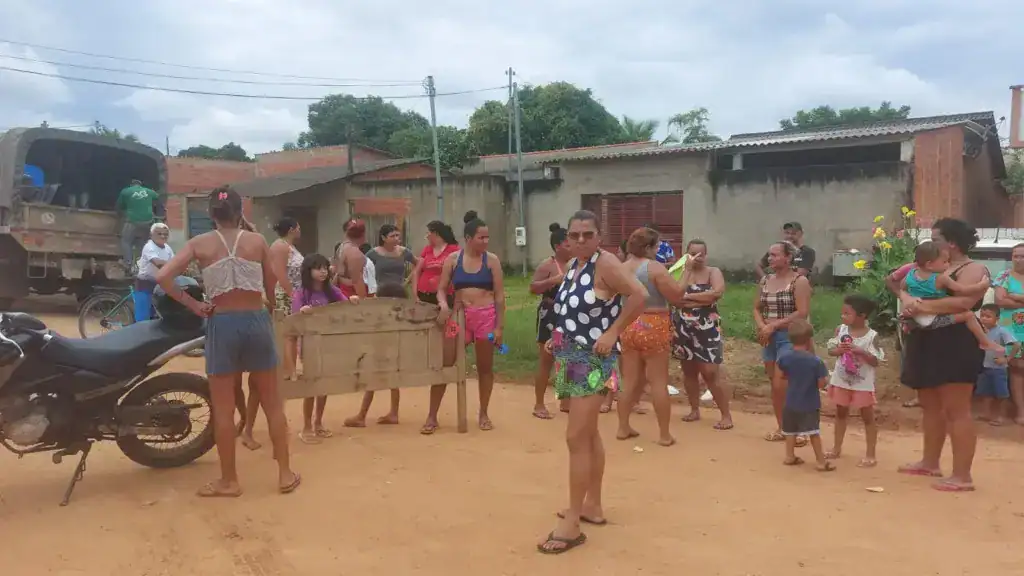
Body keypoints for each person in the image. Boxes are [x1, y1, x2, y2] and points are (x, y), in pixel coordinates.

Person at [155, 185, 299, 497]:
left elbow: (163, 276)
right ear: (240, 212)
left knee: (223, 410)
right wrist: (268, 309)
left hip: (222, 323)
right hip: (256, 321)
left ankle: (229, 481)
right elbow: (271, 283)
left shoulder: (199, 243)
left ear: (211, 214)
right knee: (273, 404)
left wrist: (194, 305)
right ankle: (285, 474)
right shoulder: (257, 241)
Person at [537, 210, 646, 555]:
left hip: (593, 360)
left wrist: (614, 332)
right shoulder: (574, 265)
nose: (580, 240)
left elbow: (639, 295)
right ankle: (592, 505)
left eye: (587, 234)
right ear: (567, 238)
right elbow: (570, 311)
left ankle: (572, 522)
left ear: (599, 236)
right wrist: (556, 338)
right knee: (588, 434)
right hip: (571, 356)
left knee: (576, 437)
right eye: (575, 235)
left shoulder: (606, 263)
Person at [897, 218, 989, 492]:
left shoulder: (973, 269)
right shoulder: (927, 266)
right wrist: (908, 300)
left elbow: (963, 302)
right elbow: (900, 287)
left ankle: (962, 476)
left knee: (956, 409)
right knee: (930, 405)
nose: (930, 242)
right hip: (925, 339)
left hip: (955, 342)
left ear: (952, 242)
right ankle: (930, 462)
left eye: (936, 238)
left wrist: (919, 305)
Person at [423, 211, 506, 434]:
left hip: (486, 317)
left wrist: (499, 327)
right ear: (468, 238)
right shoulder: (453, 260)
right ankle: (432, 415)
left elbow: (500, 296)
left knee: (485, 367)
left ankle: (484, 413)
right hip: (459, 317)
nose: (486, 241)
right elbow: (441, 289)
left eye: (487, 237)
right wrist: (443, 305)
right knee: (445, 363)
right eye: (481, 237)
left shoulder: (492, 260)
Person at [615, 227, 686, 447]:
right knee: (658, 382)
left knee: (629, 381)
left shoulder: (621, 268)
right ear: (648, 247)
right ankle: (664, 434)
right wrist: (687, 273)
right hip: (654, 323)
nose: (658, 250)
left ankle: (623, 427)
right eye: (656, 246)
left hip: (629, 323)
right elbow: (676, 296)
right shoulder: (654, 268)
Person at [344, 225, 418, 427]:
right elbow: (363, 270)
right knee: (389, 365)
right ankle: (389, 413)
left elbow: (419, 264)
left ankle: (364, 415)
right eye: (393, 235)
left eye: (398, 235)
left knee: (378, 366)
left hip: (396, 299)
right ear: (383, 237)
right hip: (383, 299)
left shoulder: (404, 252)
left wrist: (408, 282)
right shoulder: (372, 254)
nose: (397, 238)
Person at [293, 253, 357, 443]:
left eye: (325, 268)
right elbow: (294, 317)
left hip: (329, 344)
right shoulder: (302, 293)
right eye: (317, 268)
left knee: (324, 385)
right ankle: (306, 426)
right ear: (308, 271)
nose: (322, 271)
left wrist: (352, 300)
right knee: (311, 386)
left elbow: (344, 304)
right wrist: (302, 311)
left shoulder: (332, 291)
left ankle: (318, 423)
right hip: (309, 345)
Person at [754, 241, 812, 444]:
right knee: (775, 385)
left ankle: (800, 429)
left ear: (788, 258)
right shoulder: (765, 280)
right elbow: (756, 308)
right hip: (769, 337)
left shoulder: (799, 281)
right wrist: (763, 327)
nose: (770, 259)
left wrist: (773, 325)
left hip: (790, 337)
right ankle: (783, 427)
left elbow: (802, 312)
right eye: (769, 255)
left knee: (785, 384)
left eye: (775, 255)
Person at [673, 239, 732, 430]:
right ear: (686, 254)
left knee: (710, 372)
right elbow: (674, 299)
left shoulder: (713, 272)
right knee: (688, 371)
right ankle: (694, 409)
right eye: (693, 254)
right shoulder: (680, 273)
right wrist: (700, 299)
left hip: (708, 328)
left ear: (706, 255)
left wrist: (688, 297)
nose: (697, 258)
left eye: (701, 254)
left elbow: (716, 293)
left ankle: (726, 415)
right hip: (683, 328)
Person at [900, 241, 1001, 351]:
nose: (948, 265)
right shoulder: (940, 278)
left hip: (915, 317)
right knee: (969, 315)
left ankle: (907, 325)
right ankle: (985, 342)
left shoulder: (911, 275)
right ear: (929, 264)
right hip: (932, 320)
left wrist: (909, 299)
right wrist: (982, 285)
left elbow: (902, 289)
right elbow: (963, 289)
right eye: (945, 262)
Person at [825, 294, 884, 466]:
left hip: (862, 384)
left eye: (847, 313)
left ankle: (871, 455)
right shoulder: (840, 330)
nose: (843, 316)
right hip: (841, 380)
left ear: (862, 315)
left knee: (867, 416)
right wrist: (839, 350)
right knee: (840, 413)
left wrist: (861, 351)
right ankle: (836, 448)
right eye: (842, 313)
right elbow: (831, 350)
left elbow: (876, 361)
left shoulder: (872, 336)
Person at [777, 319, 833, 471]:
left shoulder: (785, 358)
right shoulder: (816, 362)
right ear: (809, 340)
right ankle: (821, 461)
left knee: (790, 431)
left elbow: (782, 375)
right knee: (813, 432)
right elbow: (821, 383)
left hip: (790, 402)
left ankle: (789, 456)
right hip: (809, 403)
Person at [530, 223, 572, 419]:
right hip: (551, 315)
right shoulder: (547, 265)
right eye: (568, 244)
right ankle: (539, 404)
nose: (572, 247)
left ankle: (566, 400)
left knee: (568, 357)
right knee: (547, 359)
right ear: (558, 246)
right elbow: (533, 288)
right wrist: (552, 281)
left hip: (569, 315)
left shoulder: (577, 264)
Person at [269, 217, 303, 380]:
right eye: (298, 228)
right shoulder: (280, 246)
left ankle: (291, 369)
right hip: (286, 294)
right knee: (288, 334)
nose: (300, 231)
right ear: (291, 230)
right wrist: (292, 294)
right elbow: (279, 272)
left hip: (294, 293)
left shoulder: (289, 247)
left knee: (293, 334)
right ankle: (289, 370)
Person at [994, 243, 1024, 424]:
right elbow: (1000, 301)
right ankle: (1020, 411)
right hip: (1011, 332)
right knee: (1016, 369)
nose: (1019, 260)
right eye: (1015, 256)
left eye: (1022, 256)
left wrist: (1015, 296)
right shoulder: (1004, 276)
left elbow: (1007, 298)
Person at [974, 304, 1018, 426]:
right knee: (985, 393)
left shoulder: (1002, 331)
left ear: (997, 318)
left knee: (1001, 394)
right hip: (984, 367)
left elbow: (1016, 344)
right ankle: (986, 414)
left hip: (998, 369)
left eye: (988, 316)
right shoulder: (981, 331)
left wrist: (1007, 359)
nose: (984, 318)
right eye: (982, 316)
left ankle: (1000, 416)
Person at [117, 178, 162, 270]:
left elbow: (119, 206)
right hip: (148, 222)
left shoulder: (126, 191)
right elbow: (158, 198)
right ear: (140, 185)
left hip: (133, 220)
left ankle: (128, 263)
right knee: (142, 243)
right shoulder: (149, 191)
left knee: (126, 241)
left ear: (131, 185)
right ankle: (141, 265)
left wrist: (120, 213)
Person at [412, 220, 459, 306]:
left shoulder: (453, 250)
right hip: (423, 294)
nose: (426, 236)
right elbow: (416, 272)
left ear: (435, 234)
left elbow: (458, 272)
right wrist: (415, 294)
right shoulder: (427, 249)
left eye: (428, 233)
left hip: (445, 295)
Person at [133, 222, 173, 323]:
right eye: (159, 234)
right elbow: (158, 263)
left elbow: (174, 261)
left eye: (165, 234)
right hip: (145, 285)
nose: (163, 236)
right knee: (143, 319)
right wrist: (177, 264)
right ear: (151, 235)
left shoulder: (167, 248)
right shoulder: (149, 246)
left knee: (157, 316)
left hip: (159, 285)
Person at [334, 219, 369, 300]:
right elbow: (357, 280)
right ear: (363, 234)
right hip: (352, 295)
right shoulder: (354, 253)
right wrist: (363, 300)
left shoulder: (342, 247)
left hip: (342, 291)